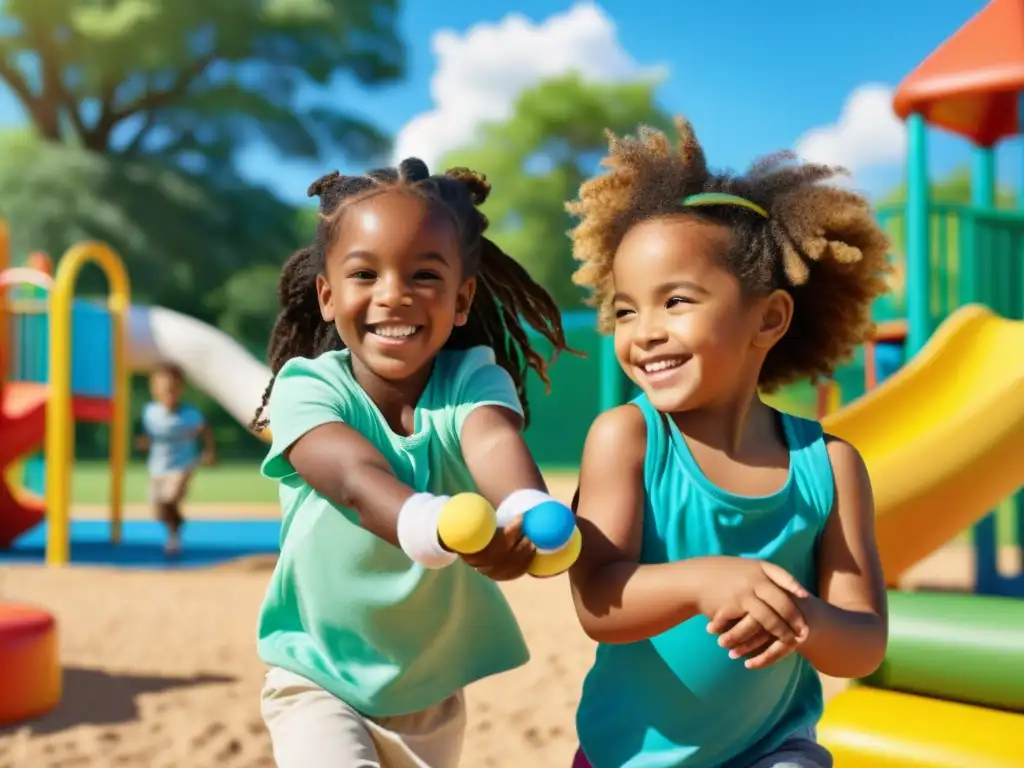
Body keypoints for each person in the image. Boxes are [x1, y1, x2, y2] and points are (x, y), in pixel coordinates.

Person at [565, 118, 891, 768]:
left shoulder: (828, 465)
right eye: (626, 310)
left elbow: (864, 641)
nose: (644, 332)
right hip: (623, 756)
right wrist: (704, 581)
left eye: (676, 301)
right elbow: (598, 602)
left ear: (768, 318)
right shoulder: (625, 438)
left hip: (770, 751)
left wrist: (804, 621)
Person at [252, 158, 572, 768]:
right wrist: (430, 523)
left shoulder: (473, 380)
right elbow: (352, 479)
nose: (393, 294)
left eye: (425, 275)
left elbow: (493, 441)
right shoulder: (307, 388)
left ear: (461, 299)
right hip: (315, 675)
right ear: (327, 295)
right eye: (365, 273)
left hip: (427, 691)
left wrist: (527, 509)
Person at [135, 362, 216, 555]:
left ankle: (174, 534)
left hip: (183, 465)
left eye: (173, 389)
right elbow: (145, 433)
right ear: (155, 390)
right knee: (158, 510)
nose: (169, 395)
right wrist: (143, 442)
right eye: (164, 390)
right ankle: (175, 526)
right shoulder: (151, 412)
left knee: (170, 498)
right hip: (157, 466)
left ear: (179, 389)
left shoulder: (189, 414)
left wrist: (209, 451)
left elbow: (205, 430)